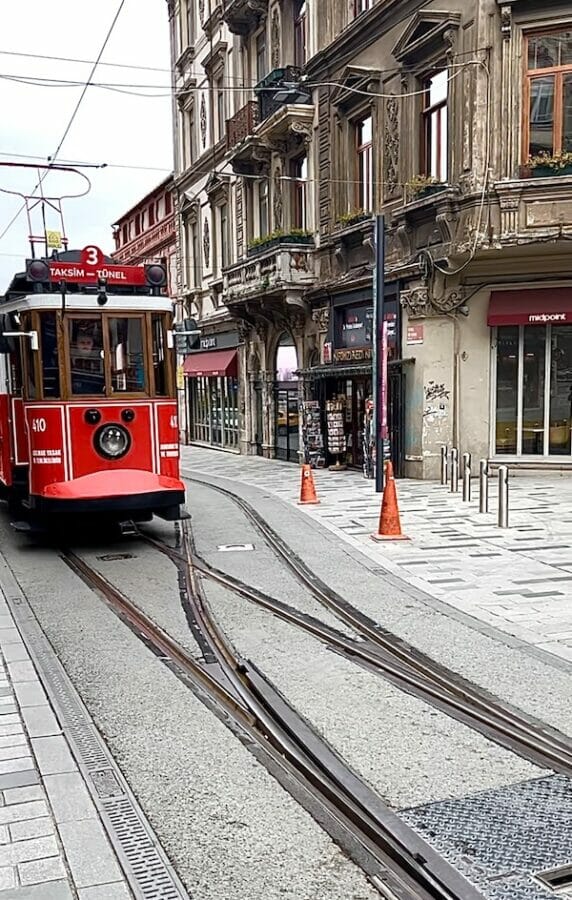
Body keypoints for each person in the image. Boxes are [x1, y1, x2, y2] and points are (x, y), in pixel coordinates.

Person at [71, 330, 104, 394]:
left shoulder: (100, 362)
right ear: (76, 344)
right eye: (82, 342)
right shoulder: (68, 362)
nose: (85, 345)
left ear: (92, 344)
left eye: (88, 343)